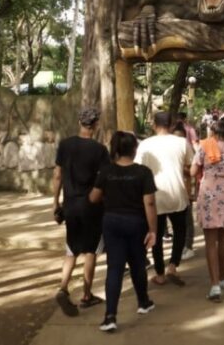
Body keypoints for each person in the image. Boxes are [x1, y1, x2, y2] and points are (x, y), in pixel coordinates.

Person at [90, 131, 158, 333]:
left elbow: (93, 197)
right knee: (138, 263)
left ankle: (110, 316)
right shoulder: (143, 172)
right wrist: (153, 229)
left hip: (111, 222)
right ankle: (143, 302)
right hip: (136, 222)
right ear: (134, 150)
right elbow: (150, 202)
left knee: (115, 268)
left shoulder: (106, 172)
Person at [52, 108, 110, 316]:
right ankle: (86, 294)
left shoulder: (65, 145)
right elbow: (104, 179)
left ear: (79, 122)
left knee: (71, 249)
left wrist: (55, 203)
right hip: (91, 206)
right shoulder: (100, 150)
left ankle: (63, 287)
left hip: (70, 205)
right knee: (91, 251)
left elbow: (57, 175)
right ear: (95, 125)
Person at [135, 111, 193, 286]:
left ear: (154, 125)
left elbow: (138, 169)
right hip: (177, 194)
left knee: (156, 235)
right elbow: (189, 167)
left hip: (153, 196)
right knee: (180, 231)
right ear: (172, 125)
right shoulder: (182, 142)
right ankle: (173, 266)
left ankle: (160, 273)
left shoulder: (145, 144)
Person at [191, 119, 224, 301]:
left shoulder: (205, 146)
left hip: (208, 196)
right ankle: (221, 278)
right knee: (223, 239)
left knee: (210, 242)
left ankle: (214, 285)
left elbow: (192, 171)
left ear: (212, 132)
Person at [173, 122, 197, 261]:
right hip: (171, 191)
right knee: (177, 223)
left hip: (185, 190)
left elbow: (193, 171)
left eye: (181, 137)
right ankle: (180, 246)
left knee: (187, 221)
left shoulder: (187, 148)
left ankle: (188, 246)